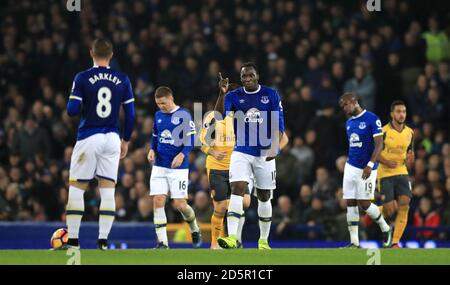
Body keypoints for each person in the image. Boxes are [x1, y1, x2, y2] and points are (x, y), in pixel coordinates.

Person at [65, 38, 136, 250]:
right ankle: (103, 241)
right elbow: (130, 115)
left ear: (91, 53)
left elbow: (72, 110)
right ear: (111, 55)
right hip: (112, 138)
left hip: (89, 135)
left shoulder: (83, 77)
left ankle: (73, 242)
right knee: (107, 191)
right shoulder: (122, 79)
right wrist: (126, 140)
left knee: (77, 189)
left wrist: (83, 99)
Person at [215, 62, 286, 250]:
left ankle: (263, 240)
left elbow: (279, 124)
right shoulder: (233, 96)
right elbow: (220, 115)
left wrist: (275, 147)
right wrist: (222, 93)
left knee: (264, 195)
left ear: (257, 76)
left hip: (264, 152)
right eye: (244, 77)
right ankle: (232, 238)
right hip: (242, 150)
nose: (247, 79)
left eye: (250, 76)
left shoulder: (271, 94)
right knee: (237, 188)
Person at [147, 86, 202, 249]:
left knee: (180, 204)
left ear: (171, 99)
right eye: (158, 104)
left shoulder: (184, 115)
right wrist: (151, 149)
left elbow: (191, 139)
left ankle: (194, 228)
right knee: (157, 200)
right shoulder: (158, 115)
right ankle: (163, 243)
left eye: (163, 103)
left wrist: (182, 154)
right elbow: (155, 136)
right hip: (160, 165)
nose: (160, 107)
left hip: (178, 167)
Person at [339, 92, 392, 248]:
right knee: (350, 201)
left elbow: (379, 145)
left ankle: (386, 228)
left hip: (367, 167)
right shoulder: (348, 123)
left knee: (364, 203)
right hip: (351, 166)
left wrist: (370, 165)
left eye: (345, 104)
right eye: (342, 106)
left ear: (354, 102)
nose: (344, 108)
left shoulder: (372, 118)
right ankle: (354, 242)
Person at [378, 100, 414, 248]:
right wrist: (386, 161)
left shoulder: (410, 132)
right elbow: (374, 153)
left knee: (405, 203)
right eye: (398, 111)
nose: (401, 114)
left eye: (404, 111)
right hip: (385, 173)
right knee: (390, 209)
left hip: (401, 171)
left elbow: (410, 153)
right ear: (392, 114)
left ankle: (395, 242)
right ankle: (372, 213)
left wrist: (411, 159)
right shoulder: (383, 131)